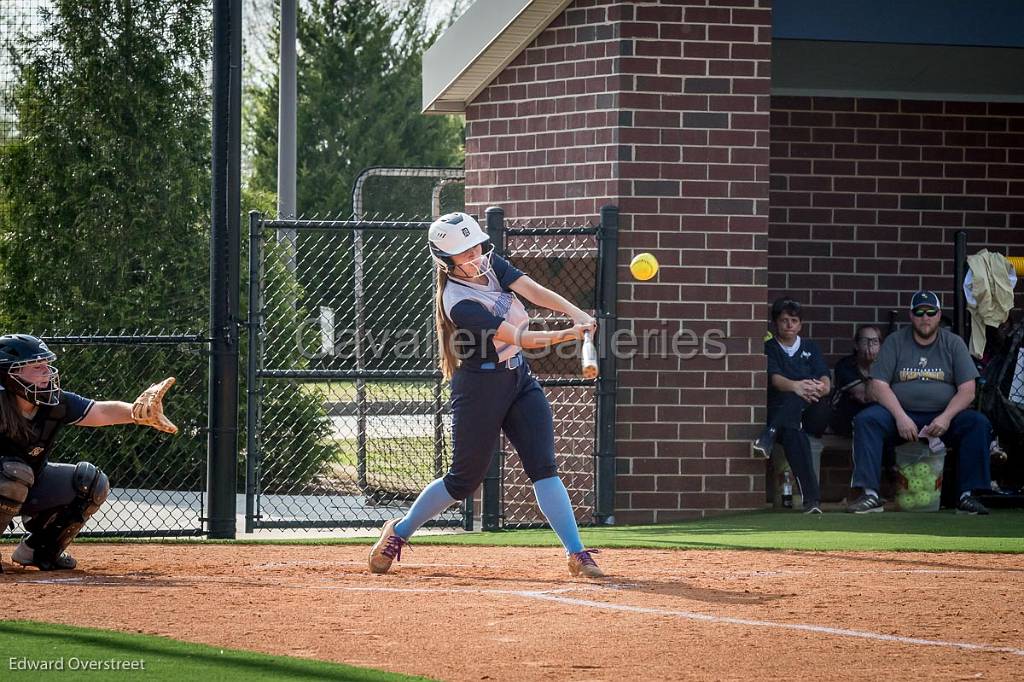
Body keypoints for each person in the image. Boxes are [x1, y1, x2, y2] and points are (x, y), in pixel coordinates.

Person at [368, 212, 604, 578]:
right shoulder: (458, 302)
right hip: (480, 388)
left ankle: (577, 552)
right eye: (463, 252)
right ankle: (398, 532)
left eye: (475, 244)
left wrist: (578, 314)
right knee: (463, 480)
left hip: (519, 380)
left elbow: (534, 291)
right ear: (446, 261)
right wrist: (570, 335)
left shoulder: (491, 263)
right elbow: (522, 338)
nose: (474, 254)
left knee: (543, 467)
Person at [0, 334, 177, 571]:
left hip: (28, 482)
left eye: (46, 364)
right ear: (10, 373)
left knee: (91, 482)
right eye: (36, 366)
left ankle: (39, 551)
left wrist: (136, 412)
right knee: (14, 474)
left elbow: (100, 412)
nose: (47, 371)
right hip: (10, 480)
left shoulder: (54, 402)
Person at [847, 291, 991, 514]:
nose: (926, 317)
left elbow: (967, 390)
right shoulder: (895, 341)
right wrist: (900, 417)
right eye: (920, 312)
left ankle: (967, 496)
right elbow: (878, 385)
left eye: (931, 312)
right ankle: (870, 494)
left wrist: (945, 418)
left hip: (943, 417)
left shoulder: (954, 343)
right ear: (911, 316)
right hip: (901, 417)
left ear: (939, 315)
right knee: (867, 420)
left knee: (977, 423)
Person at [752, 297, 831, 514]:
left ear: (800, 324)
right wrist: (796, 386)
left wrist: (818, 388)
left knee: (798, 400)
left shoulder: (810, 347)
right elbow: (775, 380)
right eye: (784, 320)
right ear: (775, 323)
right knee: (793, 433)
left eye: (794, 320)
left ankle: (769, 434)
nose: (789, 325)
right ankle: (812, 501)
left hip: (813, 411)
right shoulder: (769, 348)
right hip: (786, 414)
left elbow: (826, 380)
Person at [830, 325, 883, 437]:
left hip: (873, 419)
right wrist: (872, 366)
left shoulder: (886, 366)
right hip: (844, 418)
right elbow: (865, 397)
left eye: (874, 341)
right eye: (865, 341)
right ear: (856, 345)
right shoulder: (845, 365)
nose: (870, 345)